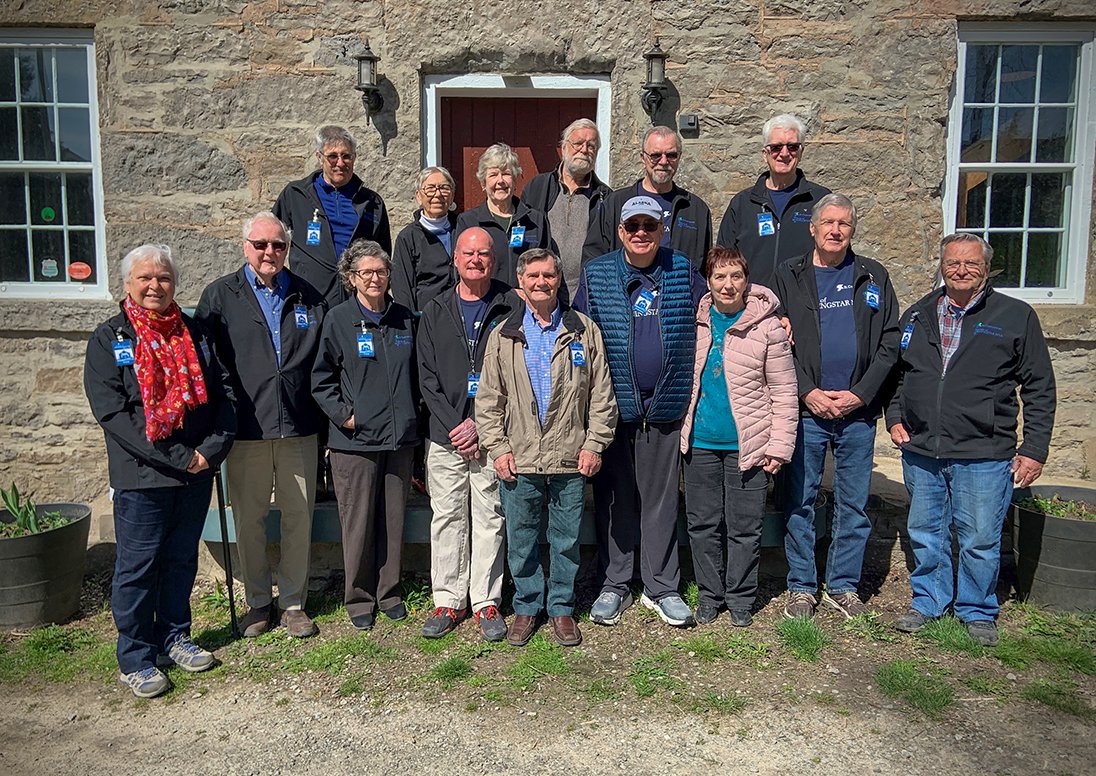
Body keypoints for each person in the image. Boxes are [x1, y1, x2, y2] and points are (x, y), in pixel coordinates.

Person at [887, 233, 1056, 646]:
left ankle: (977, 610)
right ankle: (929, 602)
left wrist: (1033, 448)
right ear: (942, 267)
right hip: (923, 448)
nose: (961, 270)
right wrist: (894, 417)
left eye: (971, 264)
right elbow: (897, 375)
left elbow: (1039, 387)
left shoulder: (1015, 316)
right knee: (926, 531)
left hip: (985, 449)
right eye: (953, 263)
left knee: (980, 537)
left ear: (986, 269)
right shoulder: (919, 314)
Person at [84, 244, 236, 698]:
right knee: (138, 565)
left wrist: (211, 451)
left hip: (196, 471)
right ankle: (136, 655)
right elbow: (114, 413)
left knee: (180, 560)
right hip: (142, 475)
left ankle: (174, 637)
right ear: (128, 284)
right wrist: (178, 457)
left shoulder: (196, 332)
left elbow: (224, 396)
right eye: (145, 279)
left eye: (164, 278)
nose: (155, 286)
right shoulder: (111, 338)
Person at [573, 196, 708, 628]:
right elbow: (581, 338)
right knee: (615, 502)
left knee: (662, 502)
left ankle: (662, 586)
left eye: (650, 226)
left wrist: (770, 311)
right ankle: (616, 583)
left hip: (665, 407)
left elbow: (718, 311)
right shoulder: (597, 275)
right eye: (633, 227)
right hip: (615, 409)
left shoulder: (683, 270)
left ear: (662, 229)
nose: (641, 234)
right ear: (620, 231)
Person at [194, 212, 326, 639]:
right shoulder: (220, 295)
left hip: (299, 423)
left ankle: (292, 603)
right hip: (246, 427)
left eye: (278, 245)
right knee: (248, 518)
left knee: (298, 516)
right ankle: (256, 602)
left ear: (288, 249)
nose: (270, 253)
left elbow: (323, 359)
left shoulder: (307, 295)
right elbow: (209, 366)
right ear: (245, 246)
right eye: (261, 244)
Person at [477, 248, 617, 647]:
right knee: (521, 538)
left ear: (559, 280)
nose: (541, 282)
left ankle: (561, 608)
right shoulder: (504, 334)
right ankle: (525, 606)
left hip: (571, 456)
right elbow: (489, 400)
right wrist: (498, 448)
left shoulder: (583, 330)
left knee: (566, 539)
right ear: (521, 283)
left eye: (549, 276)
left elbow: (602, 395)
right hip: (518, 456)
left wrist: (594, 443)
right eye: (533, 276)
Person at [772, 193, 899, 620]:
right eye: (828, 222)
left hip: (857, 413)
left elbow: (889, 343)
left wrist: (862, 393)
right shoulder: (788, 274)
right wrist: (806, 390)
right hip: (807, 410)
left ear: (852, 229)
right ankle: (802, 586)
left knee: (853, 503)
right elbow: (774, 340)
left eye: (843, 223)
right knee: (800, 500)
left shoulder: (873, 276)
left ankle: (843, 586)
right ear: (813, 227)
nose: (835, 230)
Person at [680, 247, 798, 627]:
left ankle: (741, 597)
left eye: (735, 276)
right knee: (702, 524)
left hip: (748, 445)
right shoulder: (696, 322)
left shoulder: (767, 326)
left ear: (747, 280)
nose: (727, 285)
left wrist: (778, 447)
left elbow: (784, 390)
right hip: (700, 442)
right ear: (709, 282)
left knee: (745, 527)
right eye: (719, 277)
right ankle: (711, 595)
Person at [416, 227, 521, 641]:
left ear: (494, 261)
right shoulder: (435, 308)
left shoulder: (510, 304)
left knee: (490, 518)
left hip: (493, 433)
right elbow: (426, 378)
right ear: (455, 259)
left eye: (483, 253)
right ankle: (448, 599)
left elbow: (518, 373)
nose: (476, 259)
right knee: (447, 517)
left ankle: (485, 600)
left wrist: (480, 423)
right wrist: (455, 425)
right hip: (445, 436)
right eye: (468, 253)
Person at [311, 239, 418, 631]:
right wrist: (345, 416)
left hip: (399, 439)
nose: (375, 278)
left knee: (393, 519)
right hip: (354, 443)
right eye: (366, 272)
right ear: (351, 277)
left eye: (381, 271)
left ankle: (389, 592)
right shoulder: (338, 319)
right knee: (357, 522)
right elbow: (320, 379)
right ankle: (358, 597)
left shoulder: (404, 318)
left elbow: (418, 376)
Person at [273, 125, 392, 307]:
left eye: (346, 156)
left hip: (357, 300)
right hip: (310, 296)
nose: (340, 163)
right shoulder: (296, 195)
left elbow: (383, 254)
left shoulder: (372, 202)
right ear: (319, 157)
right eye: (332, 156)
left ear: (354, 158)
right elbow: (272, 240)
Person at [717, 114, 831, 290]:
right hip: (752, 307)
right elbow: (723, 260)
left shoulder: (820, 200)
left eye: (792, 147)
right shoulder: (742, 204)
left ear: (801, 152)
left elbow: (835, 254)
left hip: (804, 306)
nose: (784, 154)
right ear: (765, 154)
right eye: (776, 147)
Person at [583, 126, 712, 265]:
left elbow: (706, 267)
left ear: (679, 157)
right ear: (643, 158)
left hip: (678, 285)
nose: (663, 162)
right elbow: (593, 259)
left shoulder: (696, 209)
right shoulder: (615, 204)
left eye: (671, 155)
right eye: (655, 155)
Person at [520, 118, 611, 294]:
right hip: (541, 291)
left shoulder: (606, 198)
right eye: (578, 143)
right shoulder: (537, 188)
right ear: (563, 148)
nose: (584, 150)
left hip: (586, 294)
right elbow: (520, 238)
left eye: (591, 146)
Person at [454, 143, 554, 290]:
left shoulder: (535, 220)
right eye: (493, 175)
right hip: (486, 305)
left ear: (514, 181)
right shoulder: (468, 221)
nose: (500, 181)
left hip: (526, 305)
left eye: (506, 174)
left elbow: (548, 266)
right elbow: (460, 269)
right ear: (483, 183)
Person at [391, 166, 459, 315]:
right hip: (426, 318)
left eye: (444, 188)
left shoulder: (462, 228)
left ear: (452, 195)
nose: (438, 194)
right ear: (418, 196)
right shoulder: (408, 237)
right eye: (430, 189)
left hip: (462, 316)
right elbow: (402, 287)